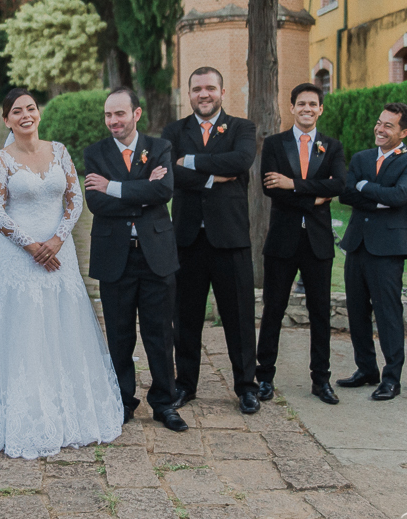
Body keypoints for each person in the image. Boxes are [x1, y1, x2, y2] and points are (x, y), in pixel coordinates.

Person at [0, 89, 123, 458]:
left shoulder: (59, 151)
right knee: (25, 328)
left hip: (60, 255)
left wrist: (58, 240)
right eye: (17, 111)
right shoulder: (0, 160)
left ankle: (69, 413)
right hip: (19, 257)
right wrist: (33, 246)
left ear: (38, 113)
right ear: (6, 119)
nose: (26, 115)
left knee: (63, 325)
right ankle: (24, 414)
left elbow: (75, 198)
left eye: (30, 108)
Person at [83, 88, 187, 433]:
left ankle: (164, 403)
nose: (114, 121)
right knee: (120, 333)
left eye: (120, 114)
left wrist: (113, 187)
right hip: (115, 257)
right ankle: (122, 401)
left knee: (159, 333)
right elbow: (96, 204)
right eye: (108, 115)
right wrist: (141, 190)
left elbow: (164, 192)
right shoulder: (95, 153)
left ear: (136, 114)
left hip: (156, 255)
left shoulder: (159, 148)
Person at [162, 67, 260, 414]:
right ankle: (185, 385)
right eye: (197, 89)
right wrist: (211, 178)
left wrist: (190, 160)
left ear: (222, 91)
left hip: (230, 238)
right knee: (185, 317)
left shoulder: (241, 128)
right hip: (187, 238)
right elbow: (169, 175)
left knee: (239, 317)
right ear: (189, 94)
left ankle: (246, 386)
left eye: (210, 88)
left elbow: (240, 161)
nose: (204, 94)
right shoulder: (174, 131)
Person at [258, 83, 346, 405]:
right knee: (274, 310)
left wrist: (293, 183)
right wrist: (317, 197)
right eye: (301, 104)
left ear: (320, 109)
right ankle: (264, 377)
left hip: (319, 242)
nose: (307, 108)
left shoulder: (332, 147)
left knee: (320, 312)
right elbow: (271, 189)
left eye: (313, 104)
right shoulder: (274, 144)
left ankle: (320, 380)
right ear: (291, 107)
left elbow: (340, 184)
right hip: (283, 240)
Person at [337, 103, 407, 401]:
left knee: (388, 314)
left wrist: (365, 188)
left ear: (404, 132)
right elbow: (347, 193)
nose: (380, 129)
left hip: (387, 249)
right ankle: (366, 370)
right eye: (379, 122)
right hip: (357, 244)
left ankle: (391, 378)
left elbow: (401, 196)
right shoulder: (361, 158)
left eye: (388, 125)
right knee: (357, 312)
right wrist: (377, 198)